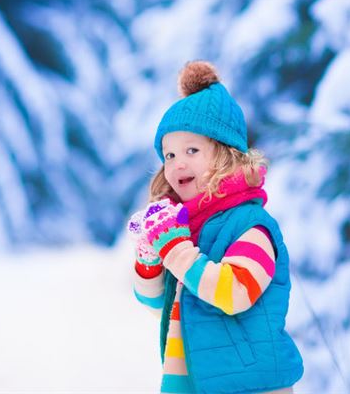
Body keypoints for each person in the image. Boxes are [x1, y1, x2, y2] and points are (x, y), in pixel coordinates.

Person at [128, 61, 303, 394]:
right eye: (169, 155)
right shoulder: (188, 228)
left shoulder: (250, 227)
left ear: (226, 156)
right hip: (192, 381)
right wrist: (150, 257)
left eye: (191, 150)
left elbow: (235, 292)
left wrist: (177, 253)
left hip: (249, 385)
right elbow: (156, 305)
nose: (177, 162)